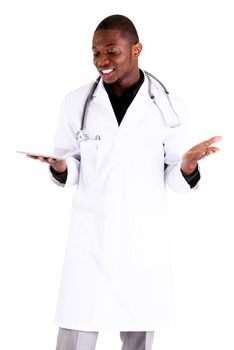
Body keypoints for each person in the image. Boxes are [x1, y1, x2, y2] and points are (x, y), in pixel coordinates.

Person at [29, 14, 221, 350]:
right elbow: (71, 167)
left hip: (142, 241)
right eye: (95, 53)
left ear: (136, 50)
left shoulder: (168, 107)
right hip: (90, 241)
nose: (101, 61)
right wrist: (61, 165)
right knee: (76, 330)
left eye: (111, 52)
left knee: (138, 335)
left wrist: (187, 166)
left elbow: (175, 179)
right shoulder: (77, 102)